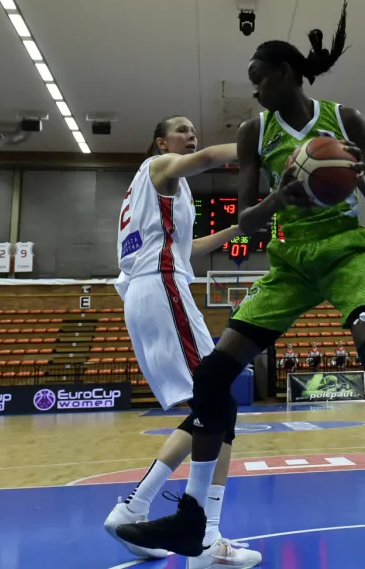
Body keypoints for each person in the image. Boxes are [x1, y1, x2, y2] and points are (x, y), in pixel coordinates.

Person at [116, 1, 365, 561]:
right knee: (214, 376)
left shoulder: (346, 120)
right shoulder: (254, 132)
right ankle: (192, 521)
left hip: (346, 254)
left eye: (258, 79)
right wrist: (278, 197)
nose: (254, 91)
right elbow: (245, 220)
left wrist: (361, 179)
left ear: (285, 72)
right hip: (290, 260)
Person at [104, 115, 262, 567]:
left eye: (193, 130)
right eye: (181, 130)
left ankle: (136, 506)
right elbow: (211, 157)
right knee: (219, 405)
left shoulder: (156, 193)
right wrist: (262, 149)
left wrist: (236, 230)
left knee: (210, 408)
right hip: (160, 286)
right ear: (160, 141)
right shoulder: (160, 166)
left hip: (149, 288)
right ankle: (206, 539)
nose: (191, 136)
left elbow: (185, 248)